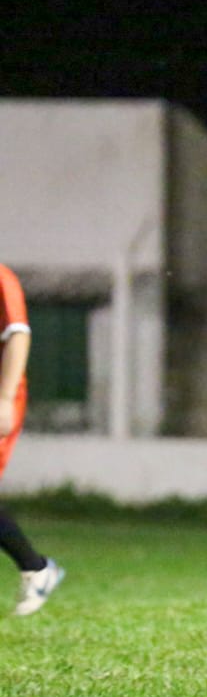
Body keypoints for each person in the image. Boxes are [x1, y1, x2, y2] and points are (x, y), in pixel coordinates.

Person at [0, 263, 65, 617]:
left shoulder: (1, 278)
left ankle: (38, 568)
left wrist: (6, 398)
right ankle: (37, 568)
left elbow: (18, 333)